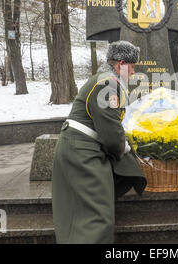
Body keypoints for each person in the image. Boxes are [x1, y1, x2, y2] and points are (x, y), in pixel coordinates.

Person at [52, 41, 146, 244]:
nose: (133, 71)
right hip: (82, 153)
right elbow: (110, 131)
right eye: (132, 66)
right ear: (121, 63)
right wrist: (124, 147)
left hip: (81, 149)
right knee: (98, 216)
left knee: (86, 212)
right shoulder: (109, 84)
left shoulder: (106, 81)